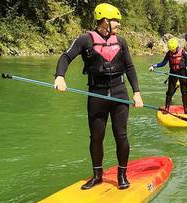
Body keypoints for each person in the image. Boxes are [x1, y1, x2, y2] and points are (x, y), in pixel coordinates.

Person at [53, 3, 143, 190]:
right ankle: (97, 175)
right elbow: (66, 57)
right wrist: (60, 76)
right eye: (115, 21)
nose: (118, 24)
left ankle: (122, 175)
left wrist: (137, 92)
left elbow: (130, 67)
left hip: (119, 93)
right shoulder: (85, 40)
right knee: (96, 137)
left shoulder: (122, 41)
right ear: (104, 21)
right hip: (97, 94)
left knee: (121, 136)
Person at [149, 38, 187, 114]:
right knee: (170, 91)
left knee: (184, 91)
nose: (172, 51)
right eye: (171, 49)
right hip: (173, 72)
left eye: (173, 49)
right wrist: (153, 66)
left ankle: (186, 108)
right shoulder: (169, 53)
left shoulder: (184, 53)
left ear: (176, 47)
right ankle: (167, 108)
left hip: (182, 72)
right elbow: (163, 63)